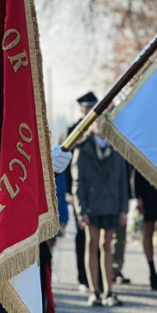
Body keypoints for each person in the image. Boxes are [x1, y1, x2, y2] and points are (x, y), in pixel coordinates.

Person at [74, 113, 128, 306]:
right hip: (92, 206)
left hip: (112, 205)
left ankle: (109, 291)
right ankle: (94, 291)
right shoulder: (84, 149)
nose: (101, 126)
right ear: (91, 125)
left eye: (105, 122)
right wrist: (82, 212)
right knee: (92, 245)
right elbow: (77, 183)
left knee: (108, 247)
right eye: (98, 122)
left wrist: (124, 209)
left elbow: (124, 182)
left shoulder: (117, 148)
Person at [63, 91, 98, 292]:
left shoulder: (101, 129)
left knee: (99, 237)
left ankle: (98, 277)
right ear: (81, 109)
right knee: (83, 235)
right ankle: (83, 278)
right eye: (86, 107)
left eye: (93, 106)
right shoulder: (71, 131)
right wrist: (68, 192)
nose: (89, 110)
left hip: (99, 194)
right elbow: (63, 164)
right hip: (78, 193)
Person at [133, 170, 157, 290]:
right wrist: (137, 195)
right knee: (148, 232)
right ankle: (152, 273)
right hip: (146, 189)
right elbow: (137, 167)